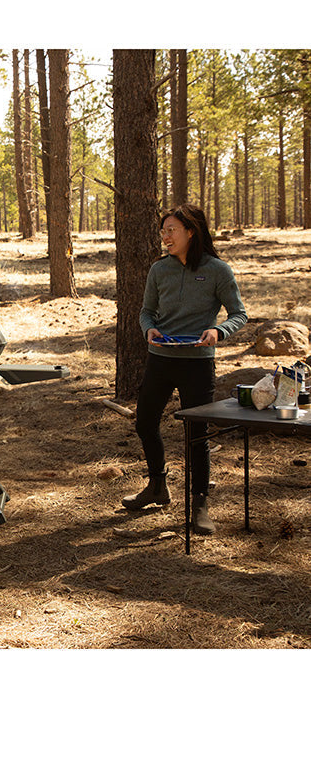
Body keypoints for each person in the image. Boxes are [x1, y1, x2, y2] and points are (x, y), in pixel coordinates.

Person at [122, 204, 247, 536]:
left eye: (171, 230)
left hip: (197, 363)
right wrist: (148, 329)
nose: (165, 237)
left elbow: (239, 313)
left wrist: (218, 332)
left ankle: (200, 503)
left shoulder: (217, 270)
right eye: (163, 231)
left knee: (197, 434)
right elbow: (147, 311)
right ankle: (157, 487)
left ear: (191, 231)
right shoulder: (158, 270)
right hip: (160, 358)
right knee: (145, 422)